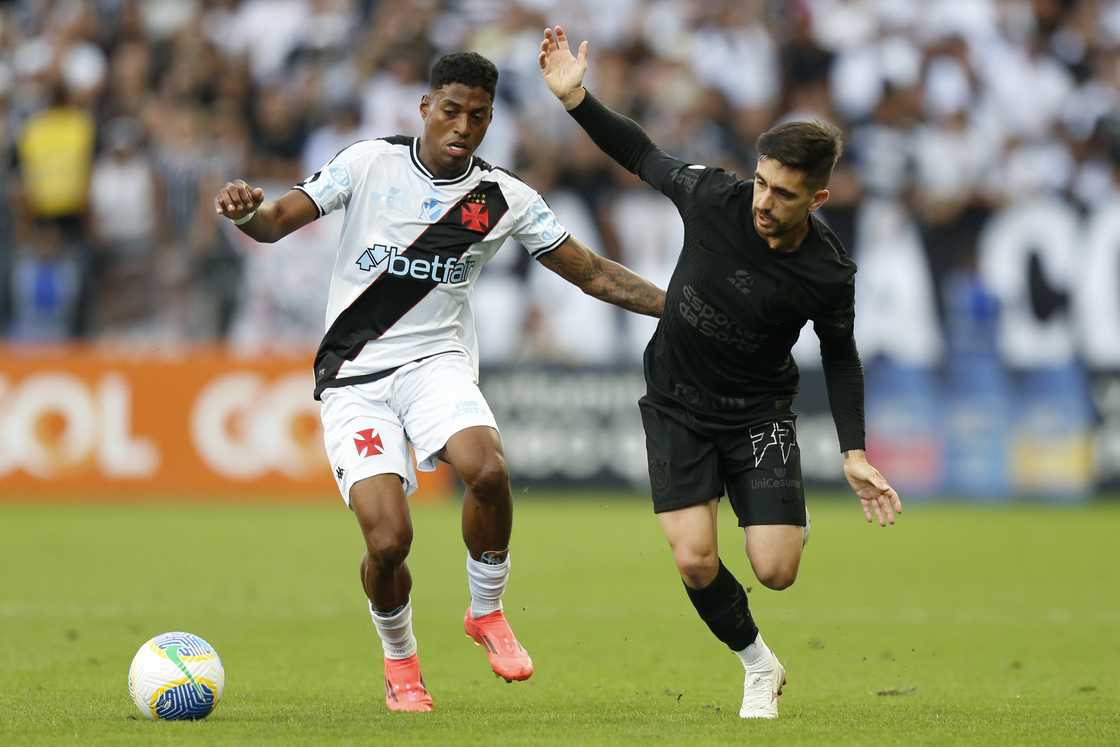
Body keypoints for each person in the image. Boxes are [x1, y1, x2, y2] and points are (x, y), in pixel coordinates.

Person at [214, 51, 664, 713]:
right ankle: (401, 662)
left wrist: (680, 309)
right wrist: (247, 212)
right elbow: (276, 223)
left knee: (486, 467)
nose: (463, 125)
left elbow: (594, 273)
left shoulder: (502, 199)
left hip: (436, 366)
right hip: (354, 378)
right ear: (424, 107)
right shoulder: (368, 162)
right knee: (388, 540)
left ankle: (487, 610)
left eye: (478, 116)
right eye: (451, 110)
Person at [538, 27, 902, 719]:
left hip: (759, 414)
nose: (763, 201)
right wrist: (576, 99)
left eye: (783, 194)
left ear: (816, 200)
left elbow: (840, 353)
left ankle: (779, 513)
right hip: (676, 400)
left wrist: (854, 451)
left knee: (777, 569)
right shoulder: (713, 195)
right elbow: (641, 153)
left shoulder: (828, 273)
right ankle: (758, 666)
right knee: (696, 560)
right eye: (762, 182)